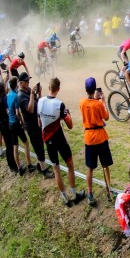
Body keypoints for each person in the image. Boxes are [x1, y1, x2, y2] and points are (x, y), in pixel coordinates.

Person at [37, 77, 86, 207]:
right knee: (70, 165)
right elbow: (70, 125)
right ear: (58, 89)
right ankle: (75, 195)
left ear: (49, 87)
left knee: (56, 169)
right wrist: (67, 115)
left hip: (47, 140)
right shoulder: (60, 104)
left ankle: (64, 197)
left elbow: (39, 123)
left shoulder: (40, 101)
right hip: (59, 138)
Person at [80, 77, 113, 207]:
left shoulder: (82, 102)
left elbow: (88, 106)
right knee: (105, 165)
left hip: (89, 137)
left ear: (86, 89)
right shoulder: (98, 104)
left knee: (90, 167)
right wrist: (103, 101)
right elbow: (106, 117)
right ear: (95, 89)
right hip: (100, 137)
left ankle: (90, 193)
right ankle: (109, 189)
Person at [17, 73, 55, 179]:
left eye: (29, 80)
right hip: (31, 125)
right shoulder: (20, 96)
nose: (29, 82)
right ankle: (43, 170)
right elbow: (30, 109)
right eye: (27, 81)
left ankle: (41, 165)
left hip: (36, 123)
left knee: (40, 144)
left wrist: (39, 92)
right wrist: (32, 95)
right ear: (21, 83)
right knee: (38, 146)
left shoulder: (28, 90)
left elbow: (38, 102)